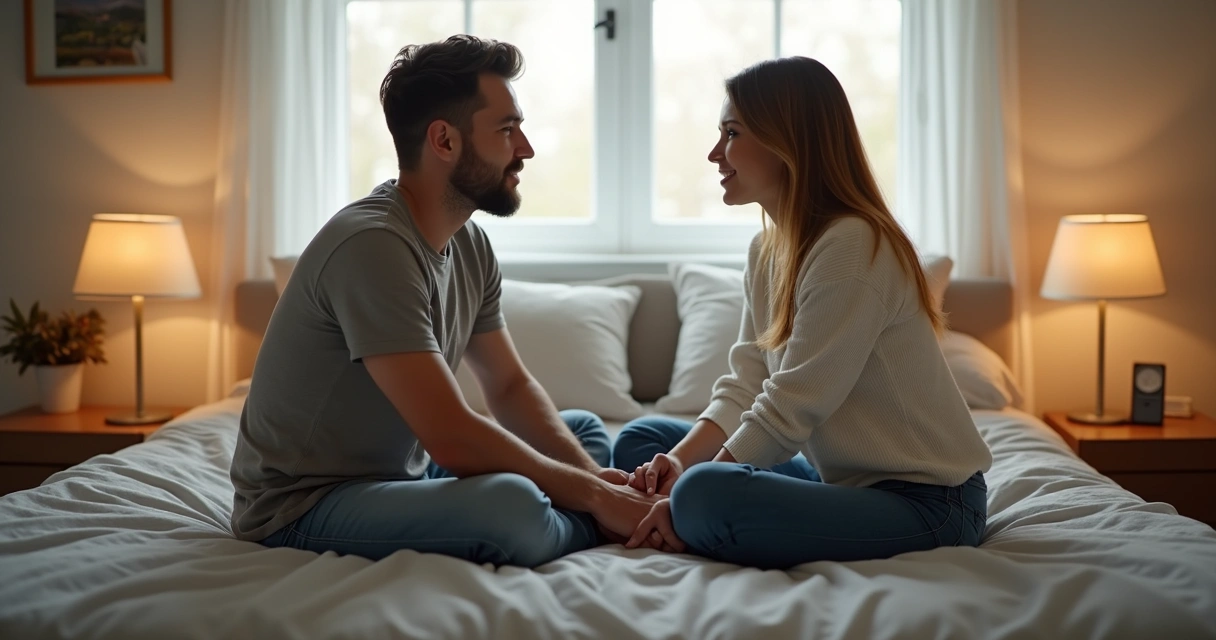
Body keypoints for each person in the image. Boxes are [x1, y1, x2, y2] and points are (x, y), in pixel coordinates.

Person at [229, 35, 656, 568]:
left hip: (400, 474)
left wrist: (592, 480)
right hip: (304, 503)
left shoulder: (469, 243)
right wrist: (596, 496)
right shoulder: (372, 245)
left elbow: (509, 385)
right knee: (514, 506)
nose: (525, 149)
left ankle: (586, 513)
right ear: (444, 141)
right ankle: (596, 519)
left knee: (582, 429)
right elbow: (452, 436)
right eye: (507, 130)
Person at [612, 57, 993, 570]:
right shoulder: (766, 251)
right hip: (835, 479)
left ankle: (682, 513)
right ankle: (683, 508)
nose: (714, 153)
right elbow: (746, 384)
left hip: (929, 501)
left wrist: (686, 491)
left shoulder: (854, 245)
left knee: (703, 493)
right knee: (643, 441)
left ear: (787, 142)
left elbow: (790, 407)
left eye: (731, 134)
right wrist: (677, 464)